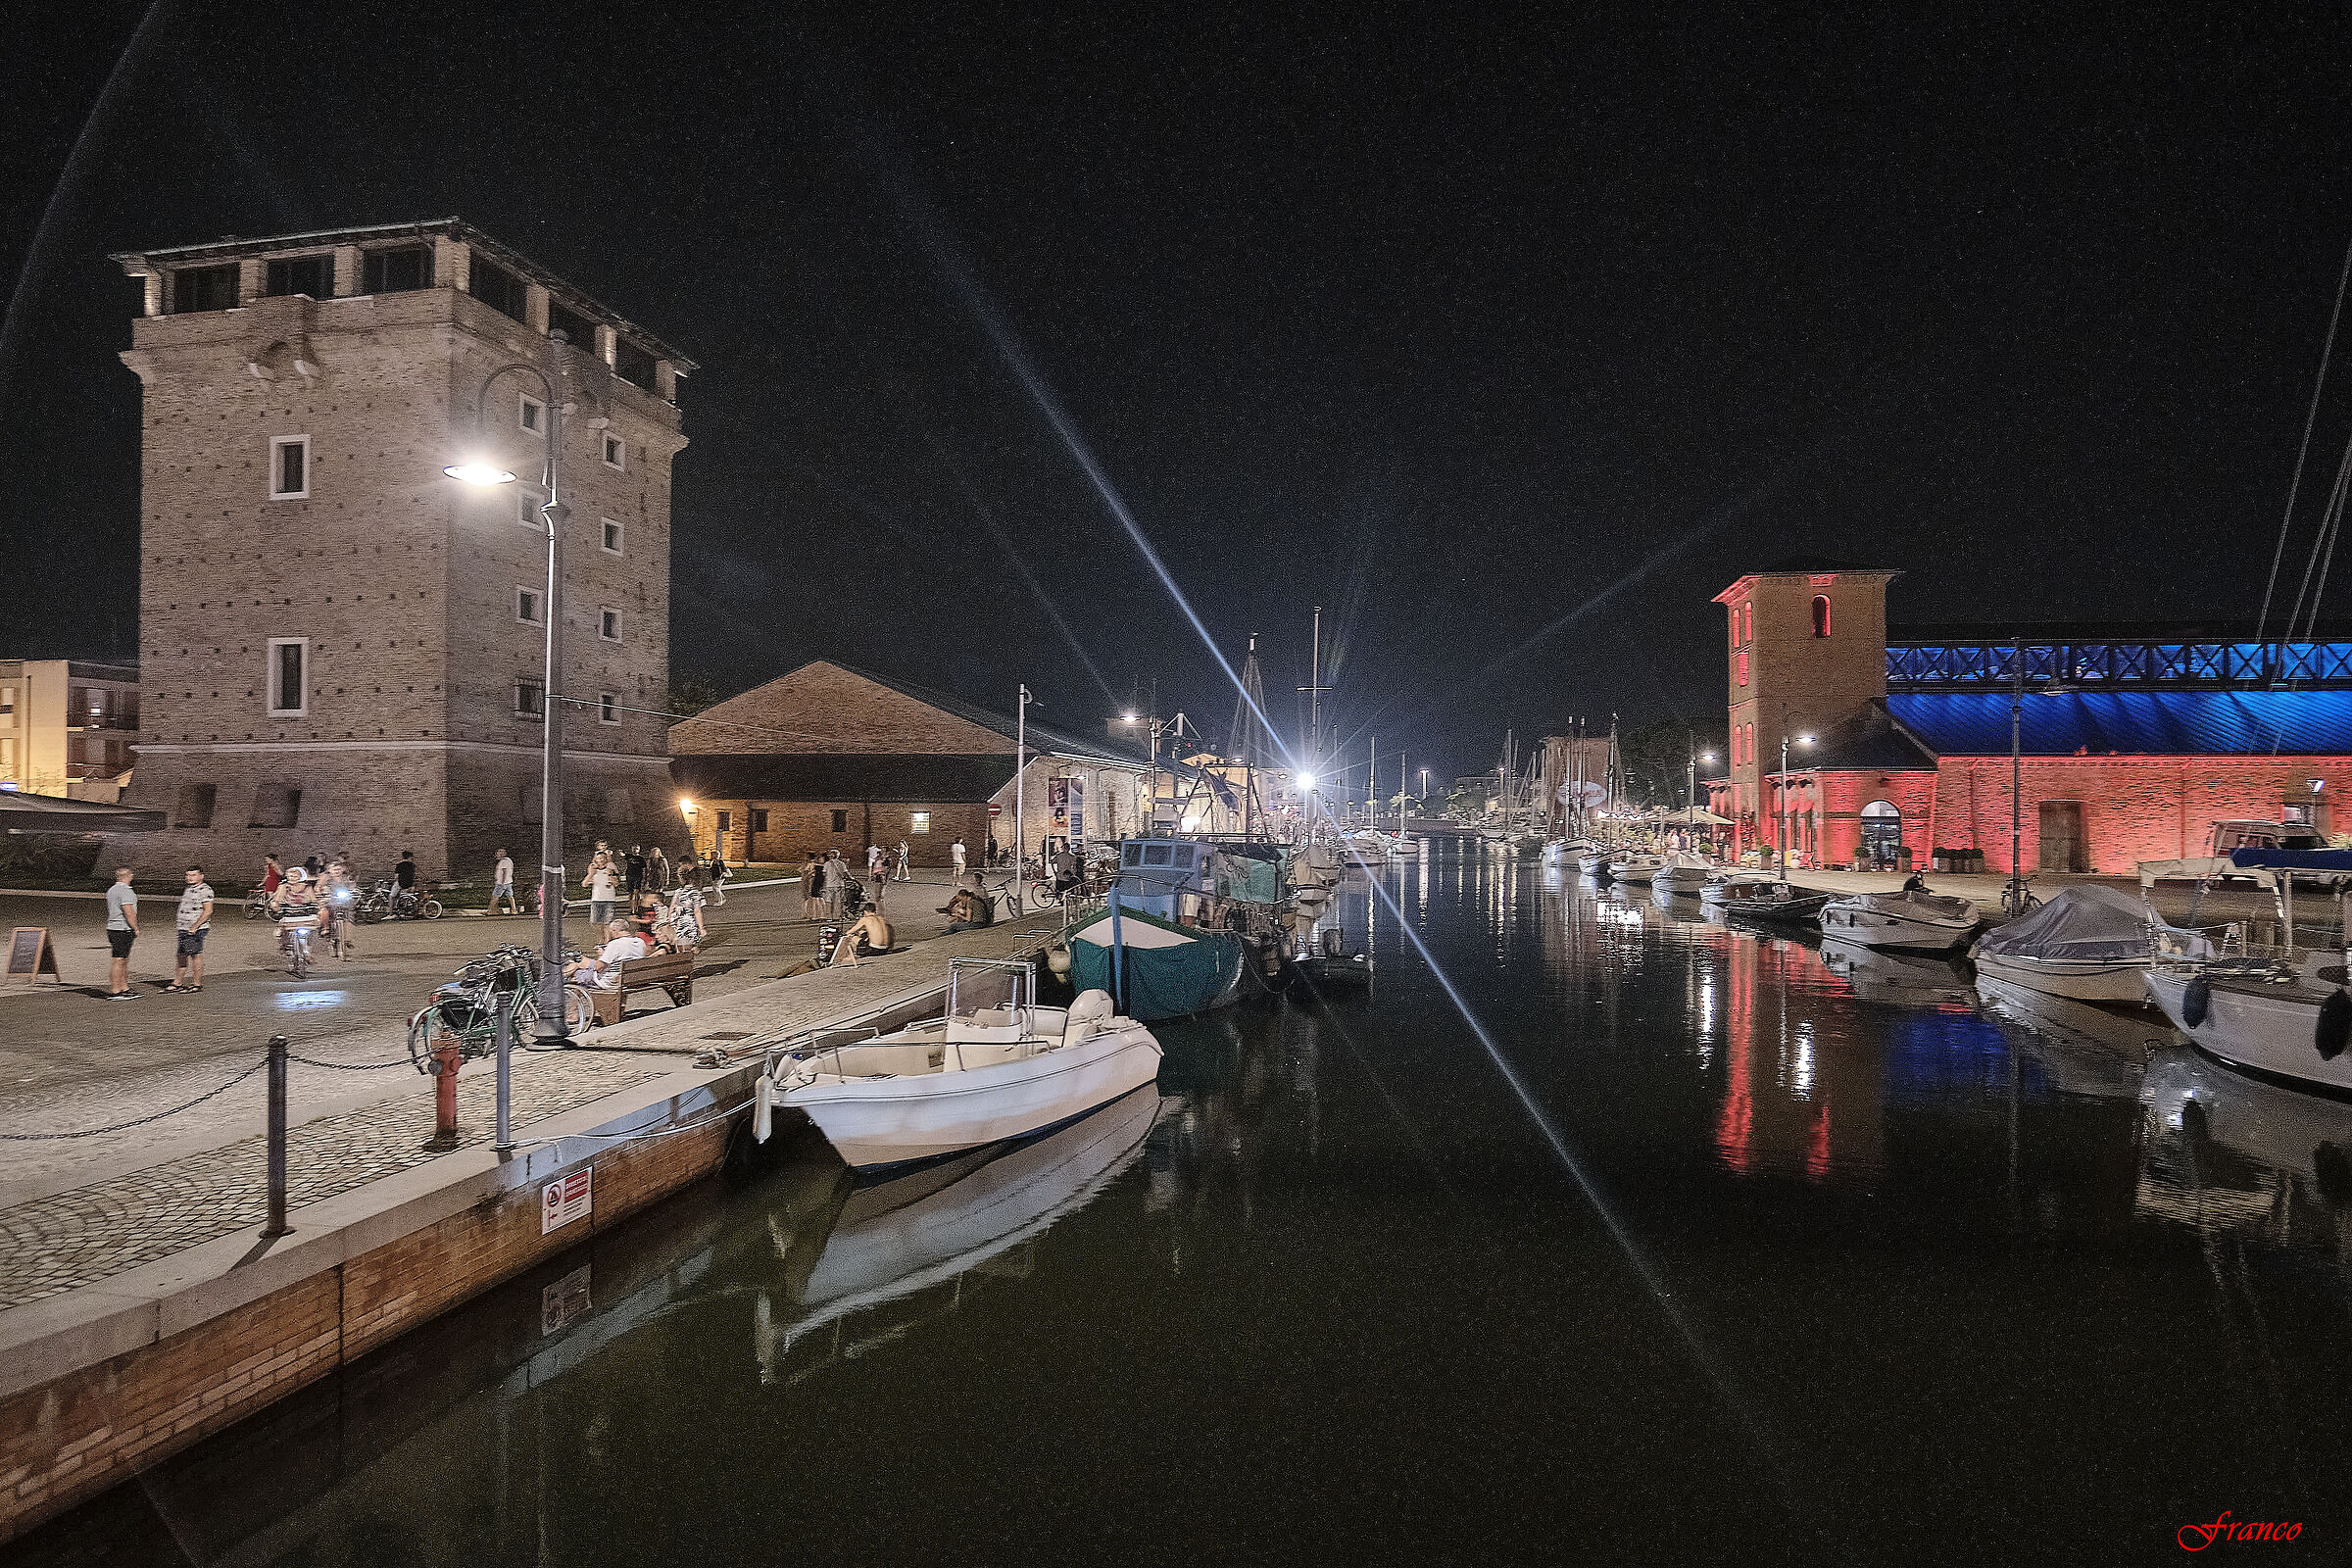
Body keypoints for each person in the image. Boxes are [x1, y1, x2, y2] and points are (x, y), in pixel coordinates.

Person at [168, 865, 214, 993]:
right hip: (183, 927)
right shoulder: (188, 889)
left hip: (195, 929)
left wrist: (195, 926)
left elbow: (208, 910)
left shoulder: (205, 890)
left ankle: (196, 984)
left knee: (195, 955)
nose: (189, 878)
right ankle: (177, 982)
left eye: (193, 875)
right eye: (187, 875)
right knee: (181, 954)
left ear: (201, 876)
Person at [565, 920, 648, 989]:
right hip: (631, 978)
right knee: (582, 962)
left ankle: (572, 1001)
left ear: (615, 930)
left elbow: (598, 967)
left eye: (611, 932)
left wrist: (601, 954)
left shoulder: (615, 944)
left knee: (576, 973)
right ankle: (578, 961)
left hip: (611, 981)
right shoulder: (640, 942)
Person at [270, 869, 321, 972]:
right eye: (290, 876)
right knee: (283, 930)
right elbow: (277, 900)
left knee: (315, 929)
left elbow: (314, 900)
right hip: (289, 915)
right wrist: (275, 906)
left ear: (300, 877)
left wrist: (318, 906)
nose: (292, 878)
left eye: (294, 876)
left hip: (305, 915)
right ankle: (287, 946)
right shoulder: (284, 887)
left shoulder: (307, 887)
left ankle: (308, 952)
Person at [103, 866, 139, 999]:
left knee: (123, 959)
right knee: (119, 960)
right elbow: (129, 912)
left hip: (112, 928)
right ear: (129, 876)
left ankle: (124, 987)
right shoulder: (126, 891)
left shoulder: (112, 890)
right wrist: (135, 927)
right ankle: (116, 990)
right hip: (122, 928)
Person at [828, 906, 894, 966]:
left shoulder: (865, 919)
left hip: (874, 950)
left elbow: (852, 930)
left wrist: (844, 934)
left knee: (851, 938)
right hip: (885, 949)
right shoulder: (881, 919)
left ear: (865, 911)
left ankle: (849, 957)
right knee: (861, 932)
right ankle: (856, 953)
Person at [318, 858, 357, 958]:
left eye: (338, 869)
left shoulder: (347, 879)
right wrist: (323, 892)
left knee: (350, 919)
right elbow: (320, 888)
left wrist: (354, 891)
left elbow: (353, 887)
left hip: (345, 902)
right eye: (334, 869)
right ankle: (326, 928)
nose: (337, 871)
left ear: (342, 870)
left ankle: (348, 939)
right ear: (330, 870)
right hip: (331, 901)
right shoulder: (327, 879)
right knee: (324, 911)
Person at [586, 856, 618, 928]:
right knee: (595, 923)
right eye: (600, 858)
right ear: (596, 860)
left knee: (607, 923)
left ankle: (607, 935)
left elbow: (616, 884)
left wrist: (610, 875)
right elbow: (584, 884)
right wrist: (591, 874)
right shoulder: (593, 871)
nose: (602, 860)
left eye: (603, 858)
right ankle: (600, 936)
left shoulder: (610, 870)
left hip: (609, 900)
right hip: (596, 900)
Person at [491, 848, 519, 915]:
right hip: (508, 882)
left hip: (501, 883)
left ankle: (491, 911)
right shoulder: (509, 860)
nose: (496, 855)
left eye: (497, 854)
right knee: (510, 896)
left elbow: (504, 872)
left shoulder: (503, 862)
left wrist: (502, 883)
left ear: (501, 854)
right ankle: (514, 910)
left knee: (495, 897)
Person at [800, 852, 825, 921]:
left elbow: (810, 874)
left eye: (806, 856)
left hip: (809, 882)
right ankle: (806, 913)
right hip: (807, 882)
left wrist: (809, 881)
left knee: (813, 898)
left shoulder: (812, 864)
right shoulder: (809, 864)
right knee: (808, 898)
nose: (804, 857)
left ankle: (814, 915)